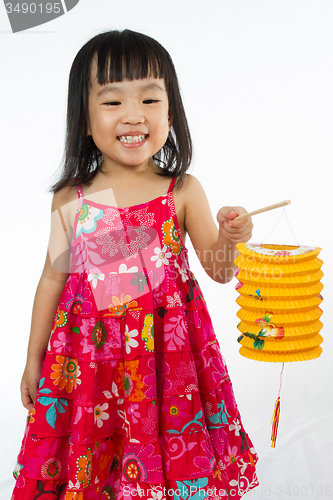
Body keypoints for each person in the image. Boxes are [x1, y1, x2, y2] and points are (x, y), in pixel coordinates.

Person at [11, 29, 259, 500]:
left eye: (150, 99)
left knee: (165, 452)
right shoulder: (73, 199)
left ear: (171, 112)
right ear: (83, 119)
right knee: (97, 452)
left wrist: (231, 238)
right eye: (111, 102)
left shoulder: (182, 191)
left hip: (169, 366)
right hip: (88, 362)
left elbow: (220, 270)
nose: (133, 115)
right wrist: (32, 358)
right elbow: (51, 280)